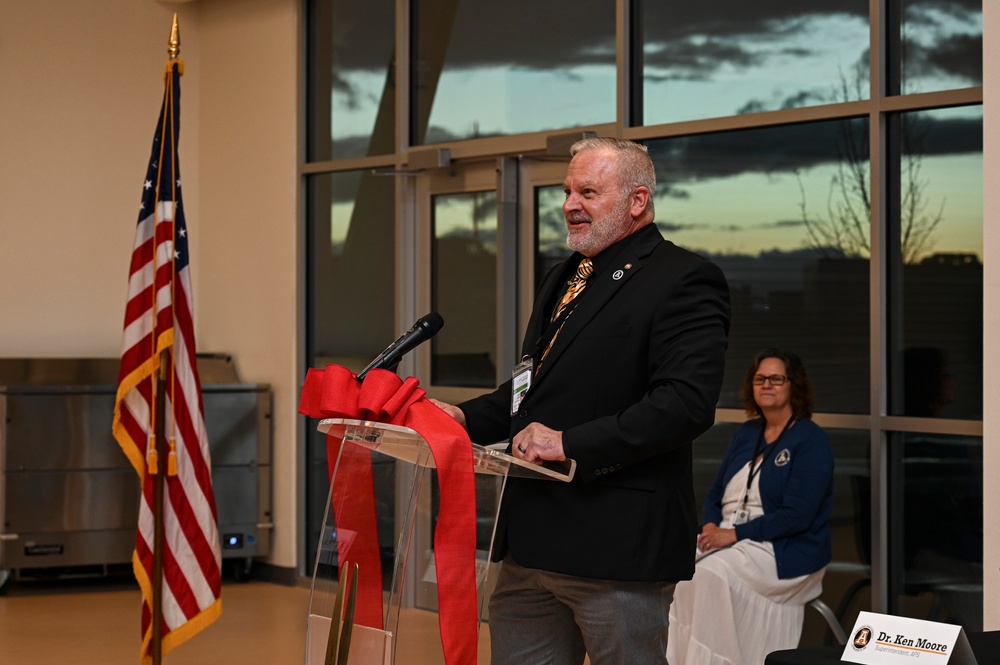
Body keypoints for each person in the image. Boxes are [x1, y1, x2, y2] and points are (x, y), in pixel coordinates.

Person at [431, 137, 731, 665]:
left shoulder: (683, 278)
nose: (570, 204)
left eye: (588, 191)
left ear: (637, 201)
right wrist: (462, 417)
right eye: (568, 190)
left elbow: (684, 405)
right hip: (530, 546)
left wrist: (569, 442)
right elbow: (532, 390)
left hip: (615, 551)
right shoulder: (563, 277)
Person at [666, 348, 834, 665]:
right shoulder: (747, 433)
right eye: (759, 379)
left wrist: (734, 534)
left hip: (785, 548)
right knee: (679, 566)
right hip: (734, 535)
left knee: (709, 576)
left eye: (775, 379)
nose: (766, 385)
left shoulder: (811, 440)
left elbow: (798, 516)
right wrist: (712, 525)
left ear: (793, 385)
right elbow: (716, 493)